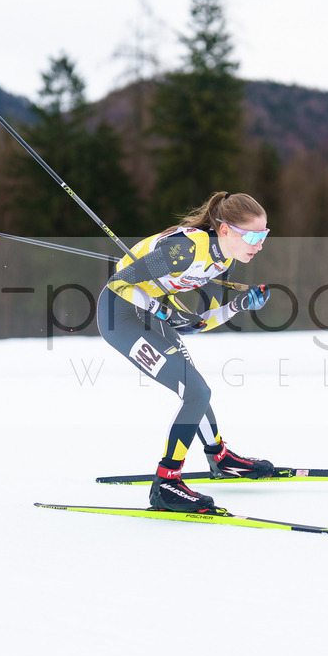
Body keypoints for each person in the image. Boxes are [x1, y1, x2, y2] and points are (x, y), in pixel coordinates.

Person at [96, 191, 274, 512]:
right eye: (252, 235)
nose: (259, 244)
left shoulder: (223, 261)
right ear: (225, 230)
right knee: (197, 392)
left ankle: (220, 458)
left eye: (264, 235)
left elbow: (199, 324)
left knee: (197, 391)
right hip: (119, 318)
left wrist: (240, 304)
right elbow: (119, 285)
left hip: (149, 316)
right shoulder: (184, 250)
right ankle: (166, 484)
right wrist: (163, 312)